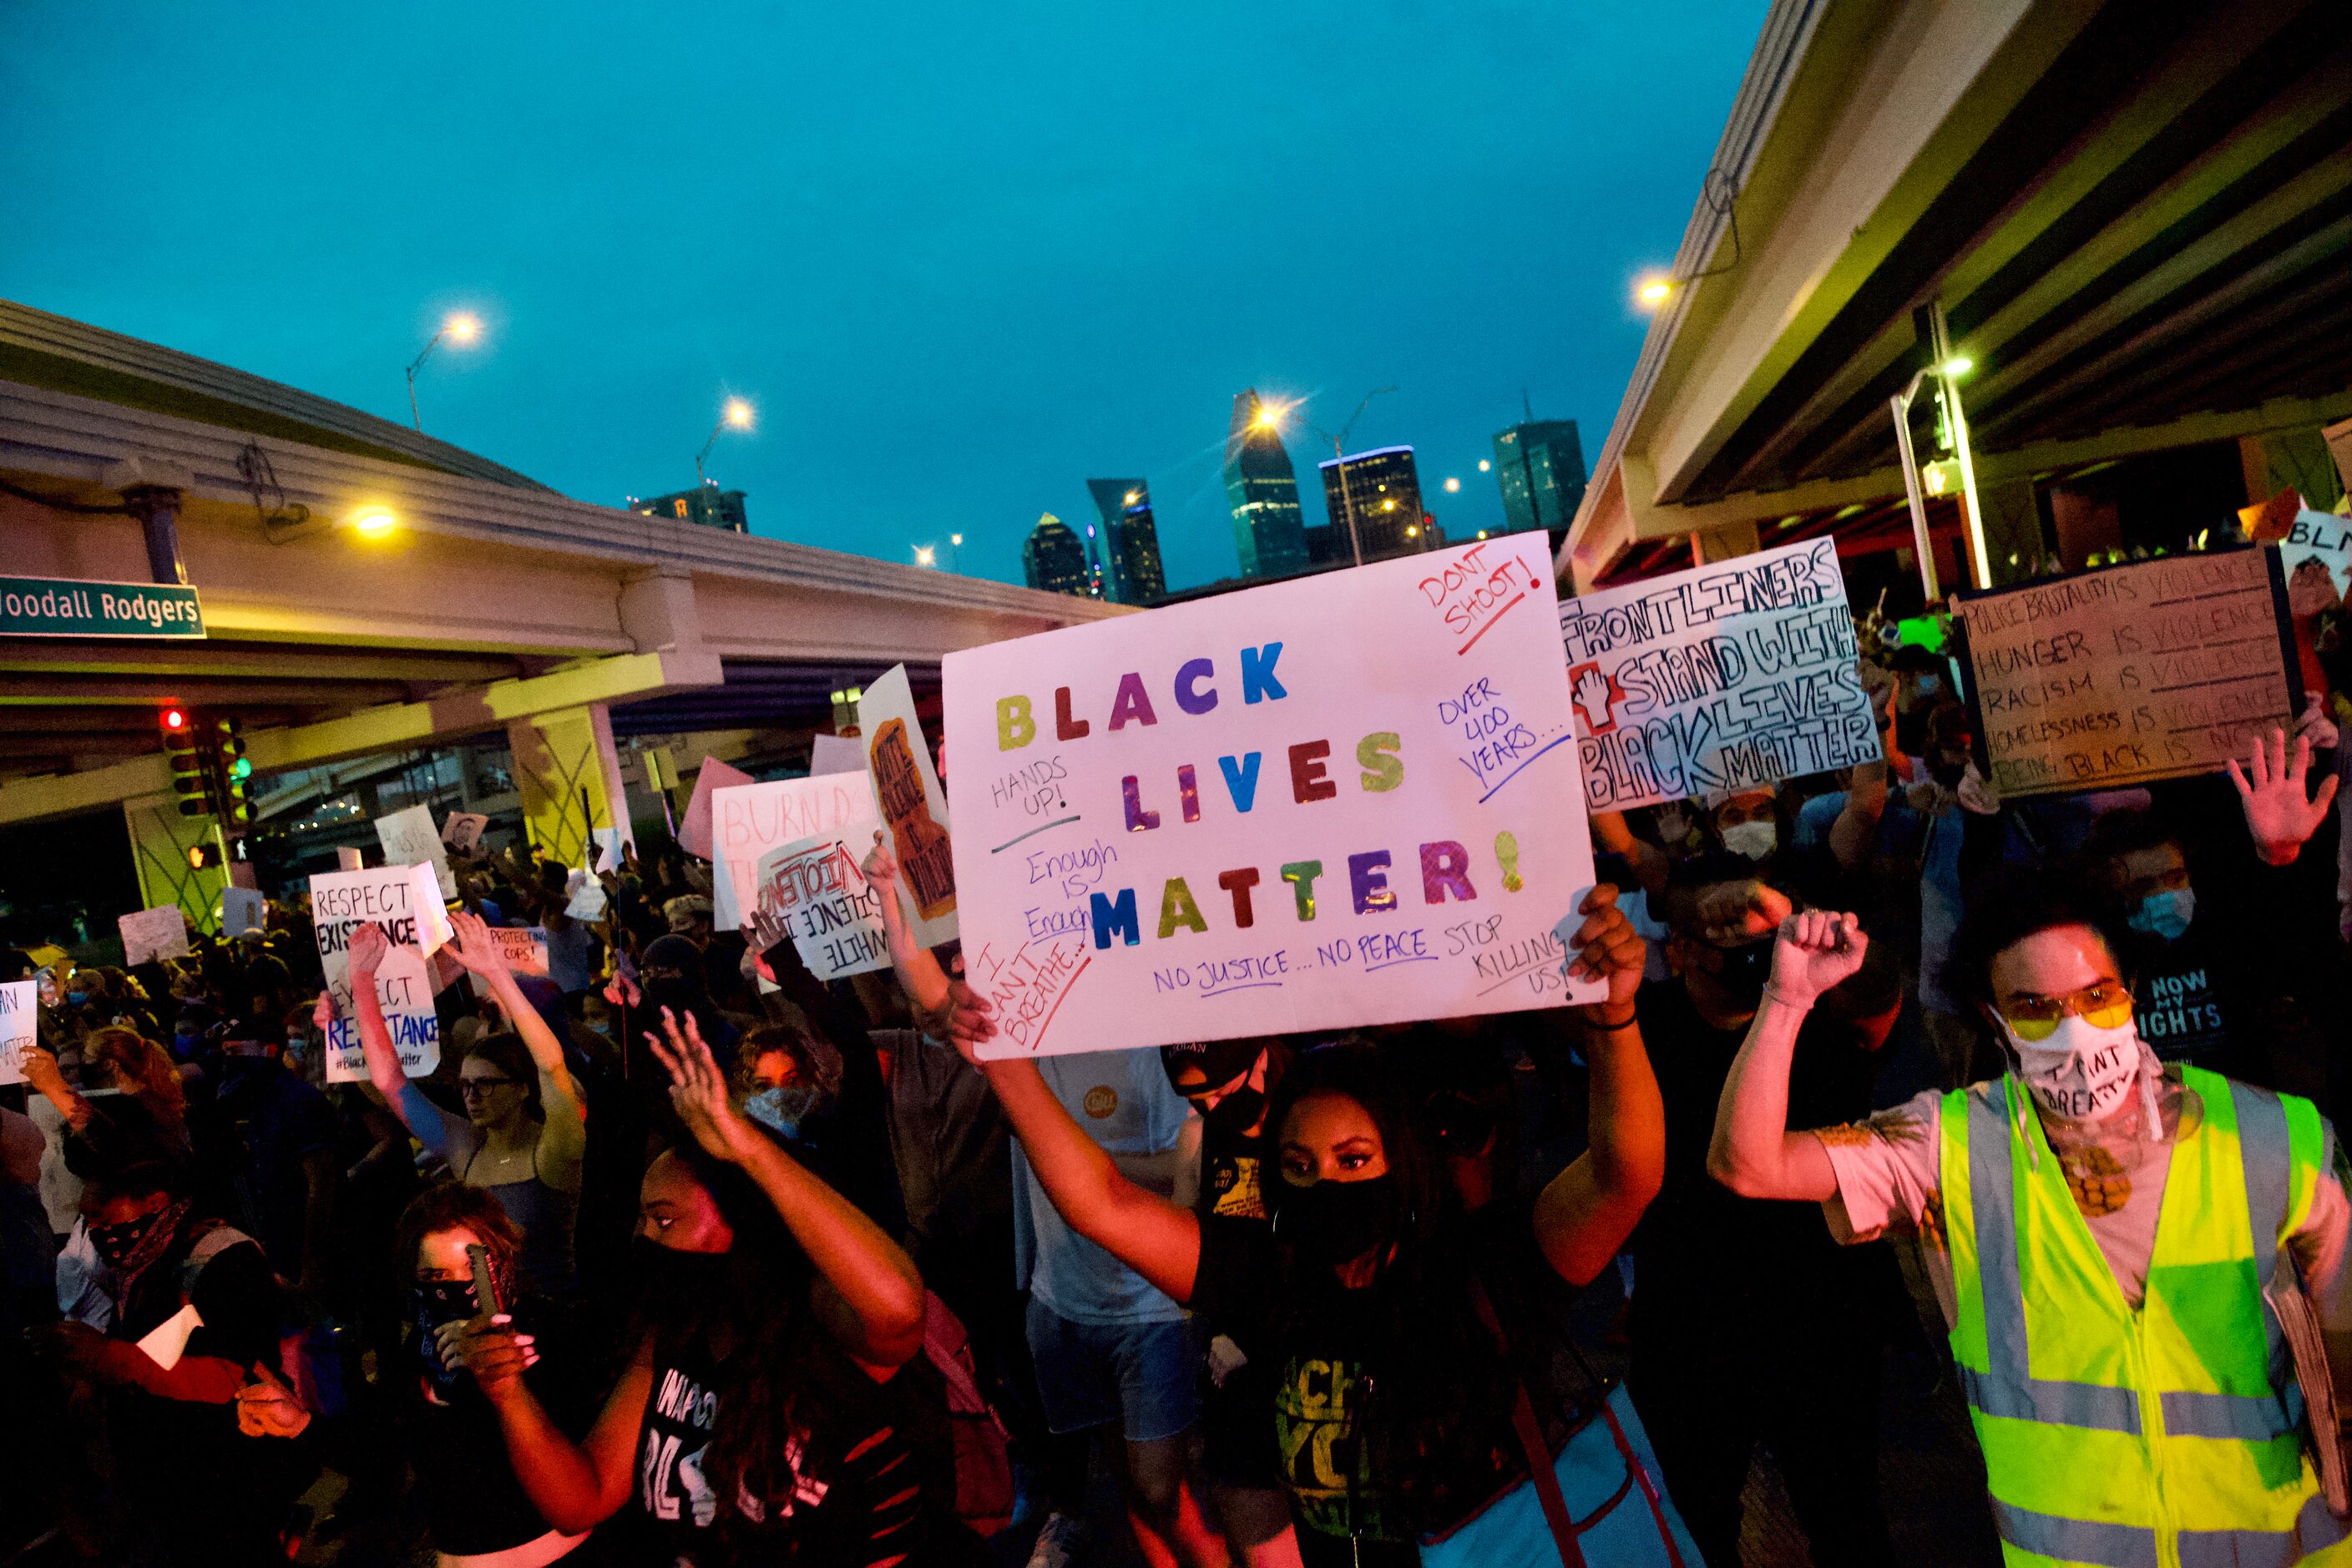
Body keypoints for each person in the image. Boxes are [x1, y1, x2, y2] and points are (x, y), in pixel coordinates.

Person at [1710, 761, 2352, 1562]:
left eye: (2095, 998)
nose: (2075, 1031)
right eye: (2036, 1009)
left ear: (2130, 994)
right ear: (1994, 1018)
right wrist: (1786, 1002)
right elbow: (1750, 1167)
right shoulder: (1948, 1147)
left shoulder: (2269, 1137)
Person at [948, 887, 1663, 1566]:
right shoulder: (1272, 1278)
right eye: (1297, 1164)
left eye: (1353, 1160)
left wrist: (1614, 1019)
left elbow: (1621, 1176)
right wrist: (1002, 1063)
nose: (1325, 1183)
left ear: (1402, 1159)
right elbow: (1101, 1203)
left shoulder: (1484, 1271)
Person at [458, 1007, 967, 1565]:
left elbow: (897, 1311)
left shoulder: (816, 1319)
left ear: (737, 1222)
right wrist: (509, 1395)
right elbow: (583, 1500)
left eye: (664, 1219)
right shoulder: (675, 1338)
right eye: (642, 1221)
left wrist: (749, 1151)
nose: (645, 1239)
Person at [1623, 853, 1904, 1566]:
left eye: (1757, 934)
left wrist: (1796, 932)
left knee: (1845, 1516)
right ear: (1678, 949)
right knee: (1694, 1520)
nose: (1748, 950)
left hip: (1820, 1315)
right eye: (1722, 931)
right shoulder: (1640, 1030)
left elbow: (1875, 1000)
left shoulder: (1822, 1010)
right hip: (1688, 1322)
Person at [37, 1160, 316, 1566]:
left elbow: (236, 1375)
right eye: (88, 1222)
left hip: (227, 1469)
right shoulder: (145, 1257)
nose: (96, 1233)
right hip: (174, 1469)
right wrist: (97, 1376)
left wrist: (119, 1362)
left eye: (104, 1218)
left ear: (156, 1202)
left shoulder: (224, 1257)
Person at [350, 911, 587, 1296]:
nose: (471, 1097)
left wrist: (496, 972)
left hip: (550, 1327)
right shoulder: (466, 1149)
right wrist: (362, 984)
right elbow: (391, 1083)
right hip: (479, 1328)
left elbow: (550, 1063)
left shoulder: (555, 1149)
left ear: (522, 1088)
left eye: (486, 1084)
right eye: (464, 1086)